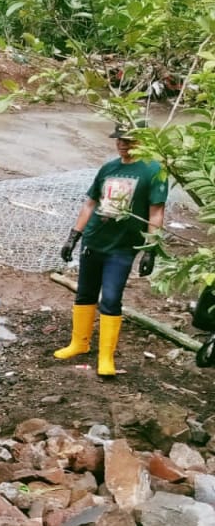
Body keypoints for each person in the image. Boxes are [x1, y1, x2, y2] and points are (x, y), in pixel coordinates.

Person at [55, 119, 169, 376]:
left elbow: (156, 211)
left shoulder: (153, 171)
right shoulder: (108, 168)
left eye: (129, 140)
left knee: (111, 298)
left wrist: (150, 249)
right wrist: (73, 236)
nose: (123, 144)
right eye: (119, 139)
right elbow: (90, 204)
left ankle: (106, 357)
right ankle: (79, 343)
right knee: (84, 293)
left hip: (122, 247)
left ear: (143, 141)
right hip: (94, 240)